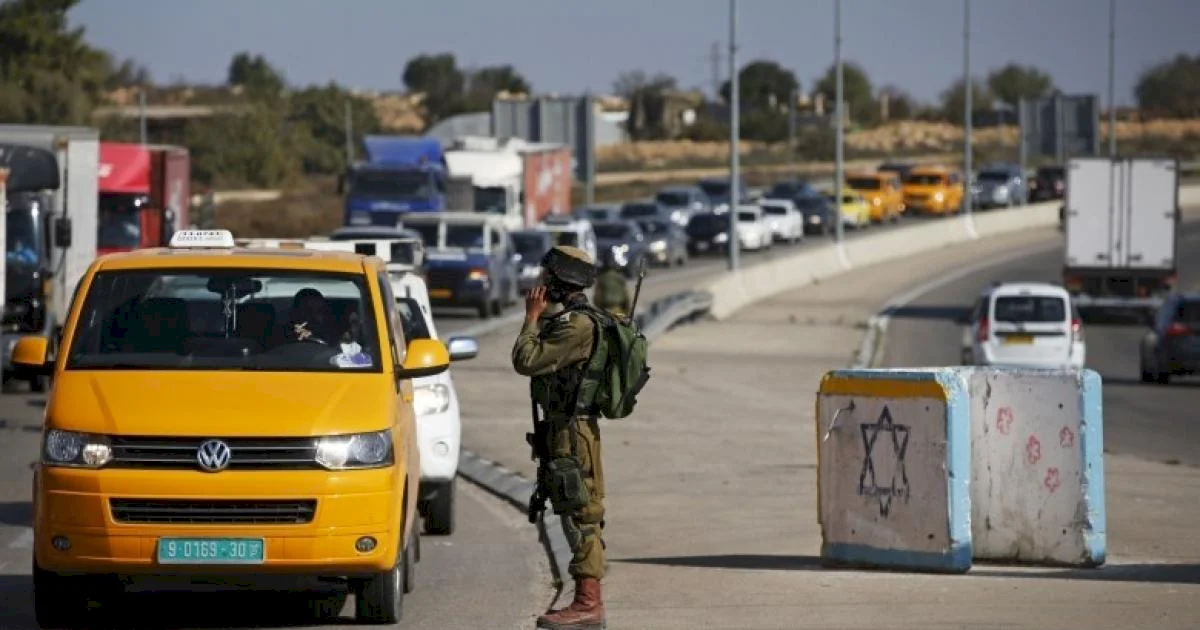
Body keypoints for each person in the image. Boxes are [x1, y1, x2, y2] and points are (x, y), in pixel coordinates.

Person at [511, 245, 607, 630]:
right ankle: (586, 597)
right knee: (573, 509)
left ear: (560, 281)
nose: (540, 285)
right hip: (564, 429)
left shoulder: (578, 325)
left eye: (546, 279)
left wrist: (531, 319)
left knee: (582, 511)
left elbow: (526, 360)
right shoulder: (571, 319)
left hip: (574, 432)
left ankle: (588, 603)